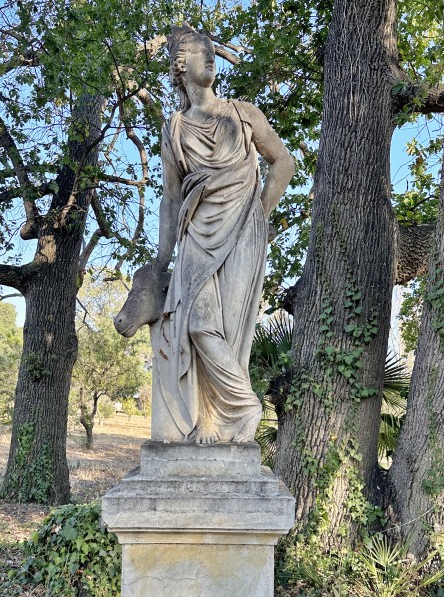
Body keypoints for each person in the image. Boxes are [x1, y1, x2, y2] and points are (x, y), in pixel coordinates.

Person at [151, 24, 294, 445]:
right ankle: (243, 404)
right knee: (197, 325)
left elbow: (283, 162)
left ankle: (216, 423)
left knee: (229, 330)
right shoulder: (175, 128)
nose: (211, 58)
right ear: (181, 65)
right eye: (201, 52)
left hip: (243, 230)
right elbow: (170, 198)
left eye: (213, 52)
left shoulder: (243, 113)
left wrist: (258, 215)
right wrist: (161, 261)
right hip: (196, 234)